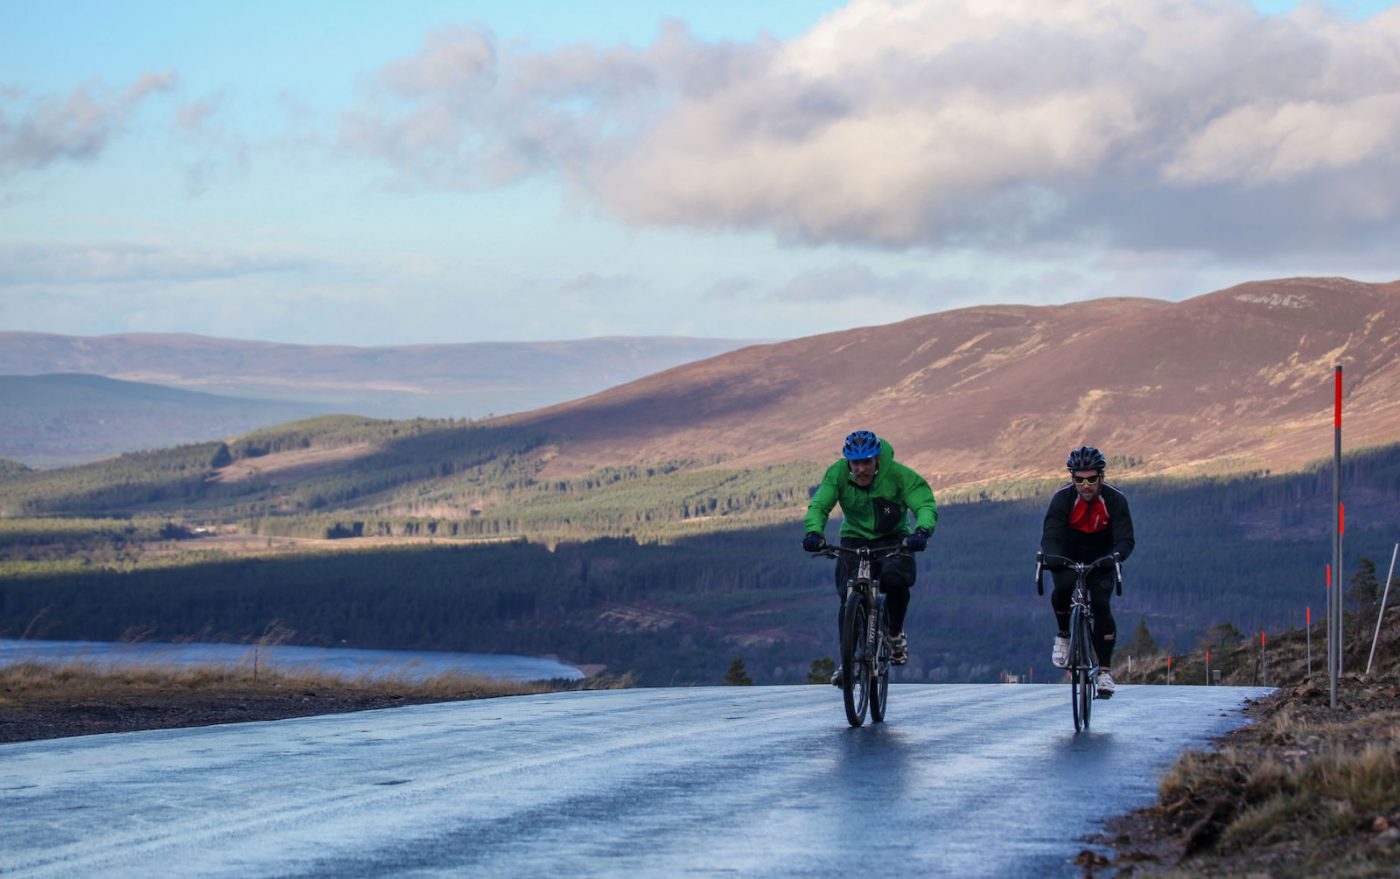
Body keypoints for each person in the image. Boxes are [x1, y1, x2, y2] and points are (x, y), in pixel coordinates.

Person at [803, 430, 938, 685]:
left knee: (896, 580)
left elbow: (924, 503)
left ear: (877, 459)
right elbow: (820, 505)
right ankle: (848, 661)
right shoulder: (837, 474)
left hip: (894, 537)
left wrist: (922, 531)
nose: (861, 469)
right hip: (854, 538)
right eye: (856, 463)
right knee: (848, 596)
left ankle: (894, 632)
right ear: (848, 462)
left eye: (867, 462)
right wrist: (813, 532)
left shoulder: (897, 474)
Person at [1041, 445, 1135, 698]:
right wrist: (1052, 557)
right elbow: (1050, 535)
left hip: (1102, 556)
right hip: (1068, 553)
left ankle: (1104, 672)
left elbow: (1126, 539)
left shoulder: (1115, 499)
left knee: (1102, 604)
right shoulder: (1063, 498)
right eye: (1079, 480)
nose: (1085, 485)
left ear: (1101, 477)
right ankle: (1063, 635)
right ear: (1072, 478)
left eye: (1091, 479)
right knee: (1061, 588)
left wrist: (1115, 557)